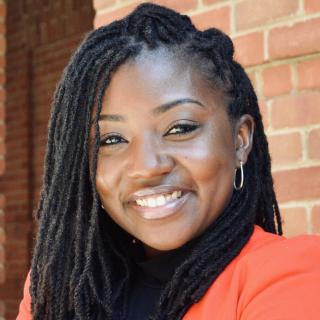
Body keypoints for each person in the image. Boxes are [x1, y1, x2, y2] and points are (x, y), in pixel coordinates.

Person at [16, 3, 320, 320]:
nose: (146, 167)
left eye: (180, 129)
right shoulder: (59, 288)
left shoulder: (289, 276)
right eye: (112, 140)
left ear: (239, 140)